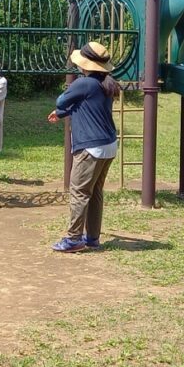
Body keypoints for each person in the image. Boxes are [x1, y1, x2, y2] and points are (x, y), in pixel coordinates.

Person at [47, 41, 121, 253]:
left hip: (91, 147)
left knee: (79, 192)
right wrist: (61, 114)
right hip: (108, 145)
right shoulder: (105, 84)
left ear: (85, 64)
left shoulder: (84, 83)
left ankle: (73, 239)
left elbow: (61, 100)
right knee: (95, 192)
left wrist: (61, 107)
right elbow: (87, 106)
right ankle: (92, 238)